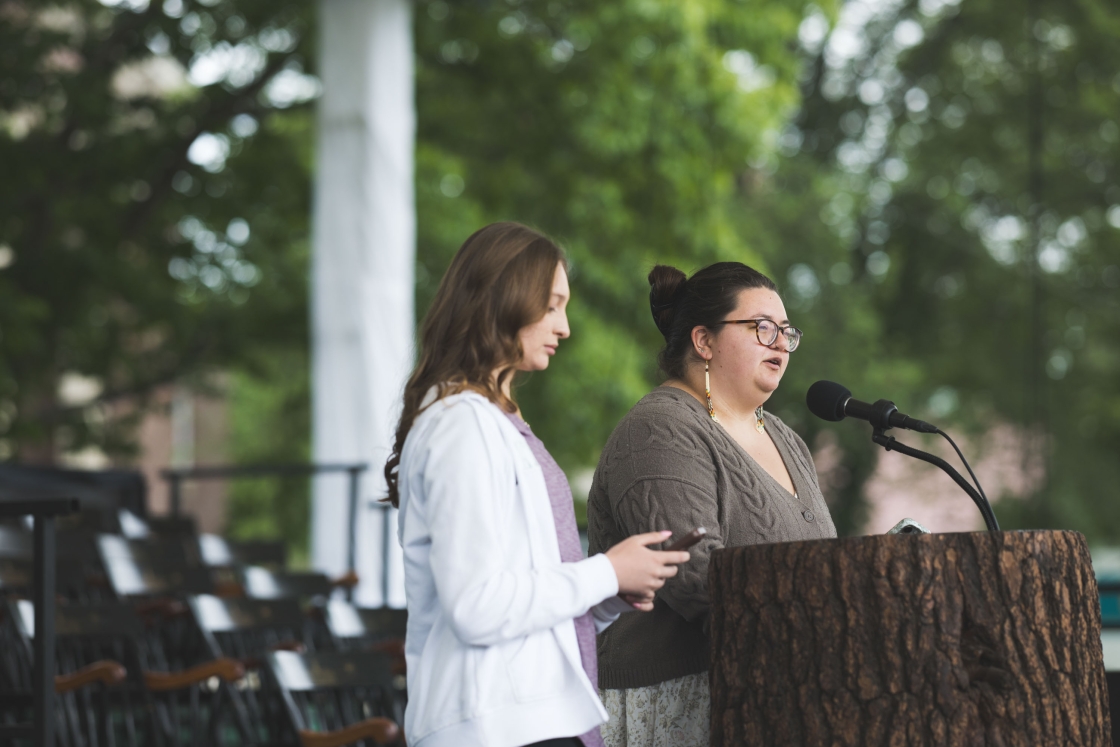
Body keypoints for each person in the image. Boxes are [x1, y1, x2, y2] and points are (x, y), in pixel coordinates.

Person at [385, 223, 689, 747]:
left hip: (534, 719)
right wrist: (605, 570)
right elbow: (477, 606)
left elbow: (525, 605)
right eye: (551, 305)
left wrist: (612, 588)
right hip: (494, 728)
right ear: (503, 300)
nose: (564, 327)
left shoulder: (497, 422)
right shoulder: (461, 425)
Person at [586, 262, 838, 747]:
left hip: (782, 695)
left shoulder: (785, 438)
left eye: (787, 332)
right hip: (681, 704)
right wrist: (829, 624)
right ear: (703, 341)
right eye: (762, 328)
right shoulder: (660, 430)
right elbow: (698, 579)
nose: (780, 343)